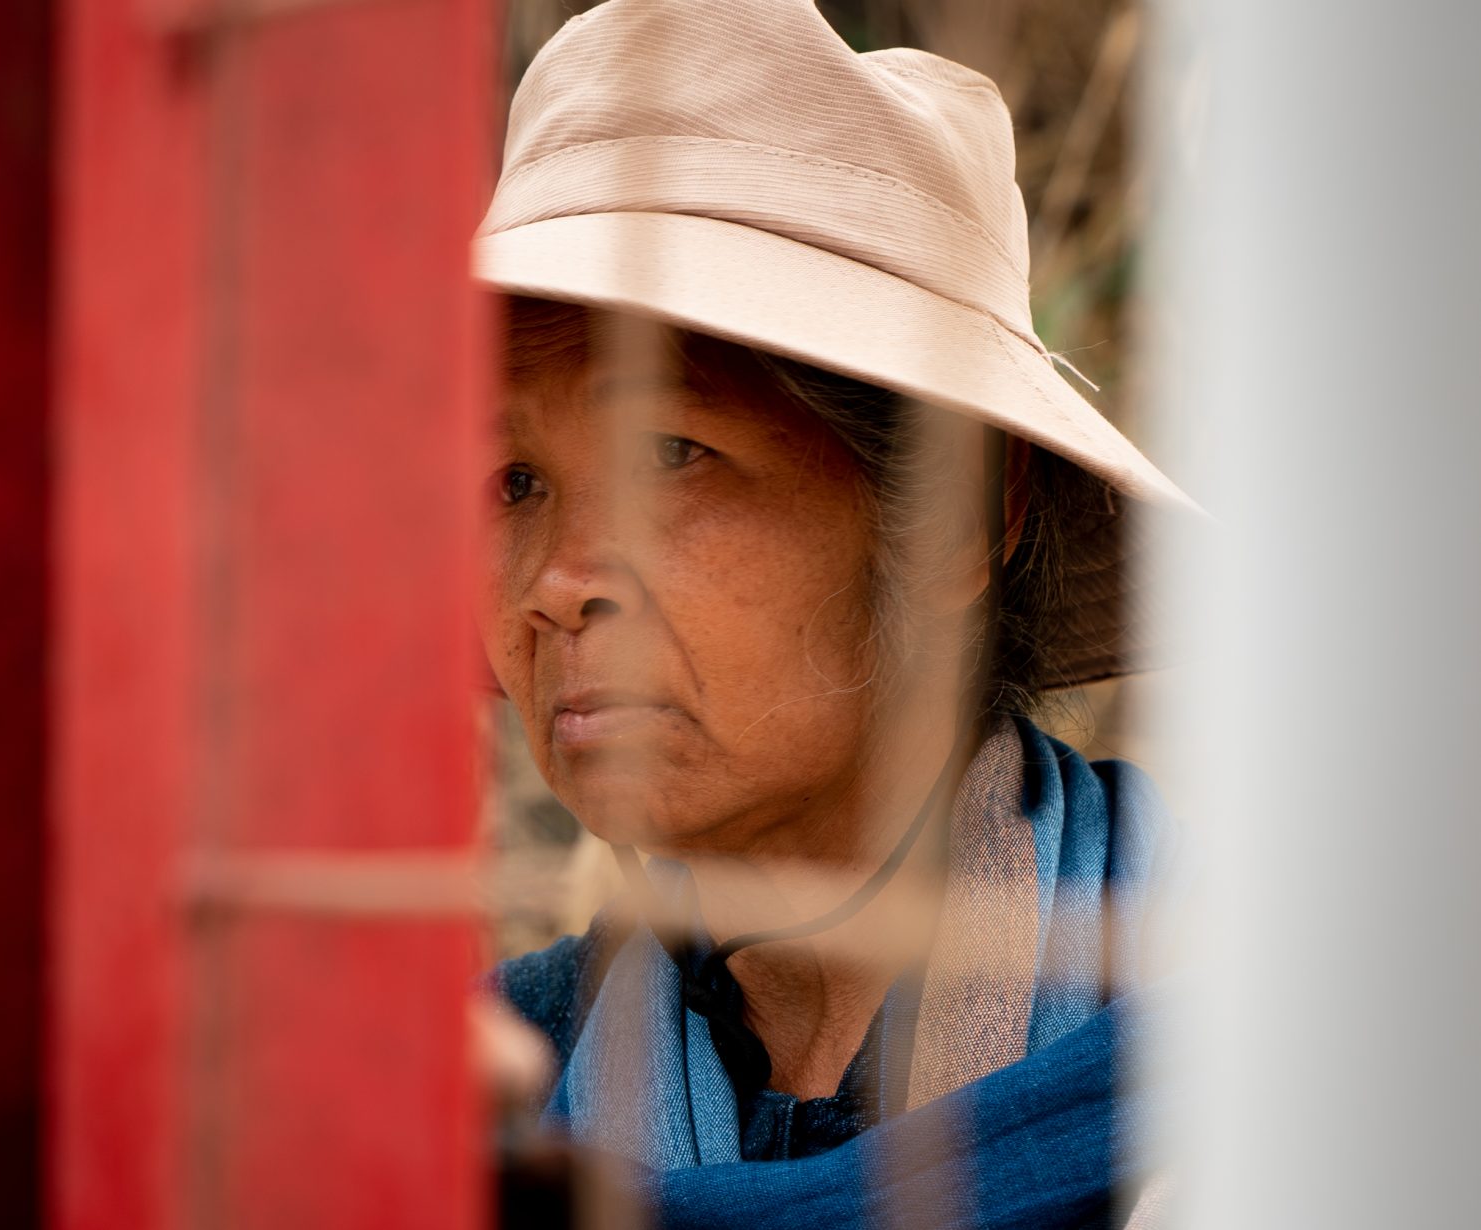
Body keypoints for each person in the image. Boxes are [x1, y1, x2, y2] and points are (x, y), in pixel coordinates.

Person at [476, 0, 1194, 1224]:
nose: (556, 583)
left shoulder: (1271, 1040)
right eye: (513, 483)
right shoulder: (486, 1103)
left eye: (670, 451)